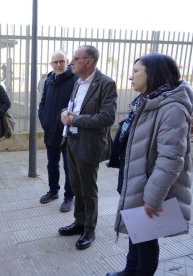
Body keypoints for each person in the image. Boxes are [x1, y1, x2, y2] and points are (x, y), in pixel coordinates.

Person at [106, 54, 193, 276]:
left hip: (150, 185)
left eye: (136, 71)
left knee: (146, 236)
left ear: (153, 74)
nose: (130, 77)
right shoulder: (146, 101)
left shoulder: (171, 108)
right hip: (135, 177)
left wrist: (153, 197)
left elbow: (171, 159)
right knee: (137, 228)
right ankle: (130, 270)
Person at [58, 45, 118, 250]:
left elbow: (107, 117)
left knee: (88, 190)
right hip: (72, 141)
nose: (71, 62)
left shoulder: (106, 84)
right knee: (76, 185)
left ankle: (89, 230)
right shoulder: (77, 82)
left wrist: (75, 120)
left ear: (89, 62)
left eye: (75, 58)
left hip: (89, 145)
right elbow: (74, 106)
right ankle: (79, 223)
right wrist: (64, 112)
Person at [38, 50, 78, 212]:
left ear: (67, 61)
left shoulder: (75, 80)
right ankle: (53, 191)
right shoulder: (49, 80)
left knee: (69, 167)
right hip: (50, 131)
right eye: (55, 62)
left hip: (67, 132)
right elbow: (43, 102)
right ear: (51, 64)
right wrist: (44, 118)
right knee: (51, 164)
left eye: (61, 61)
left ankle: (69, 196)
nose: (58, 65)